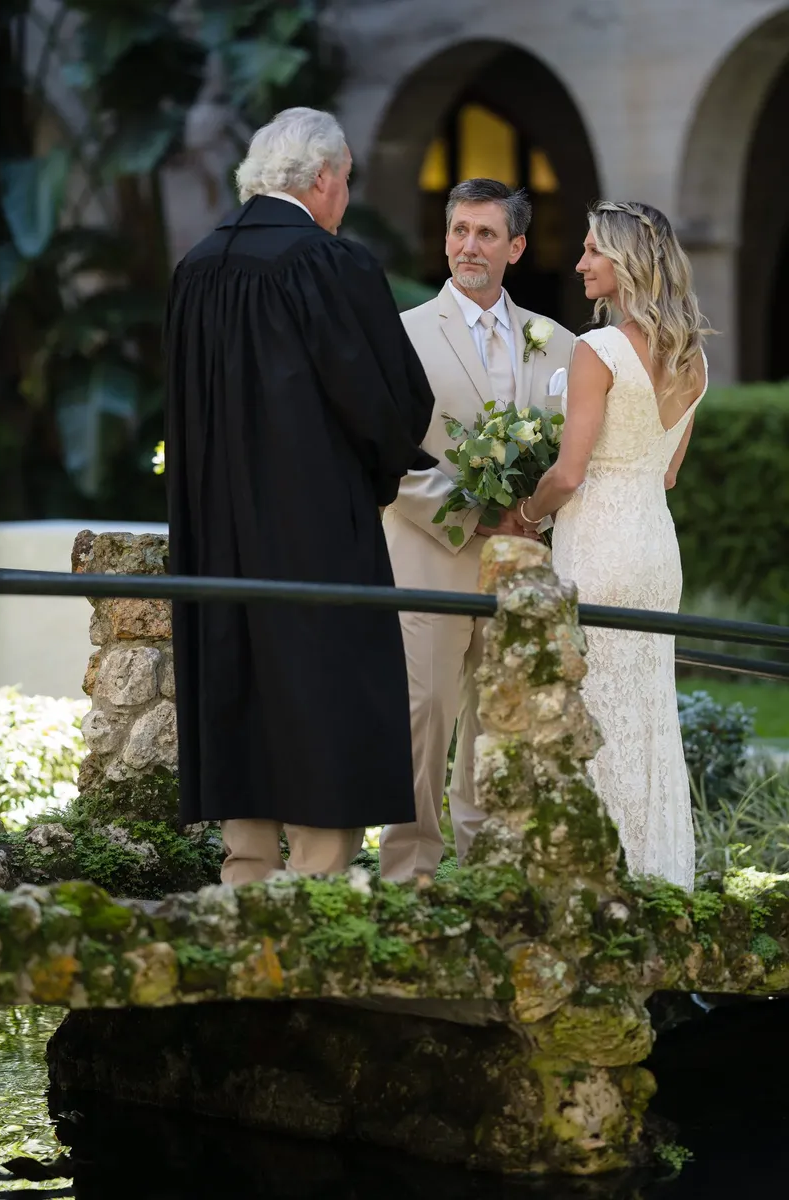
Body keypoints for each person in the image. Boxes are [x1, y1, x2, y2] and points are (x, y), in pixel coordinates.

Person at [164, 107, 437, 883]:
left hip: (215, 529)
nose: (344, 199)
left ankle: (244, 873)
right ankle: (317, 885)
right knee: (324, 682)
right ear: (322, 180)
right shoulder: (329, 264)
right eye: (345, 182)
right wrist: (379, 471)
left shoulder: (196, 267)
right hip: (315, 524)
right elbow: (387, 403)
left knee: (237, 674)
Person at [379, 178, 574, 882]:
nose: (469, 246)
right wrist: (470, 511)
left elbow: (575, 452)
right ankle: (410, 873)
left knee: (497, 719)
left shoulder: (559, 345)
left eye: (486, 234)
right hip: (428, 552)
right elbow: (383, 453)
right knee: (423, 714)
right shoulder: (400, 333)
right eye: (459, 230)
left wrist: (530, 514)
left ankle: (486, 871)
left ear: (516, 247)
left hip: (518, 560)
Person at [517, 200, 710, 890]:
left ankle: (596, 883)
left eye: (593, 249)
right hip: (655, 546)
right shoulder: (693, 358)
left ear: (626, 261)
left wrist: (527, 511)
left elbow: (568, 473)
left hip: (598, 544)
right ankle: (658, 880)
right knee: (648, 715)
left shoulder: (596, 349)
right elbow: (668, 472)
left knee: (592, 709)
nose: (580, 263)